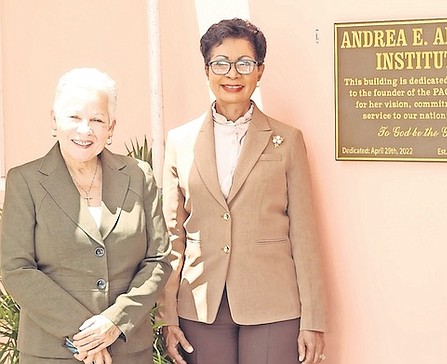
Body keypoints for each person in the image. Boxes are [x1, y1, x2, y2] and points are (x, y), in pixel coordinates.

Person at [156, 18, 327, 364]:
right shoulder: (180, 141)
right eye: (220, 63)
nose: (232, 74)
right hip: (200, 304)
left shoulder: (287, 140)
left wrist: (314, 320)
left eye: (244, 64)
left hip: (273, 304)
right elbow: (171, 236)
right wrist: (166, 314)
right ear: (207, 70)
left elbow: (304, 234)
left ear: (259, 71)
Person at [0, 67, 171, 364]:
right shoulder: (24, 180)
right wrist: (86, 334)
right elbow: (16, 268)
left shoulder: (138, 175)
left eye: (97, 120)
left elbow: (158, 259)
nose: (85, 130)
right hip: (52, 352)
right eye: (74, 117)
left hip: (128, 350)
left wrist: (115, 321)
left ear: (111, 127)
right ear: (54, 120)